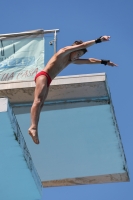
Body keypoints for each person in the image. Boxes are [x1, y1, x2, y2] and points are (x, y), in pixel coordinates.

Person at [28, 35, 117, 144]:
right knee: (37, 101)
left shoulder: (70, 61)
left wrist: (104, 62)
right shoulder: (63, 51)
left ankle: (35, 128)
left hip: (48, 80)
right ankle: (33, 127)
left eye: (79, 56)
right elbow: (83, 45)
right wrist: (99, 40)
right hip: (43, 76)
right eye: (78, 54)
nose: (77, 57)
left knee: (41, 104)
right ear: (74, 49)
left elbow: (89, 61)